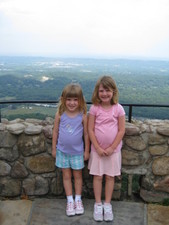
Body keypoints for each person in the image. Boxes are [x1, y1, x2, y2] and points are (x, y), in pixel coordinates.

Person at [88, 76, 125, 222]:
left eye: (107, 90)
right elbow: (90, 129)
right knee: (97, 177)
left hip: (113, 151)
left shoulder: (118, 109)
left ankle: (107, 204)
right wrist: (97, 147)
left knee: (110, 177)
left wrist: (112, 147)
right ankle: (98, 204)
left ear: (113, 92)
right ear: (97, 92)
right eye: (101, 90)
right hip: (97, 150)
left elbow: (121, 130)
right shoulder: (94, 108)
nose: (104, 94)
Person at [52, 83, 90, 217]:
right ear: (63, 99)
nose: (72, 103)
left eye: (75, 99)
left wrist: (87, 151)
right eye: (69, 99)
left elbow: (86, 134)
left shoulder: (83, 115)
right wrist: (54, 149)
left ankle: (78, 199)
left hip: (77, 153)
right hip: (62, 152)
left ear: (80, 100)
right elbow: (55, 132)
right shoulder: (60, 114)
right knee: (66, 176)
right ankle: (69, 200)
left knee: (78, 176)